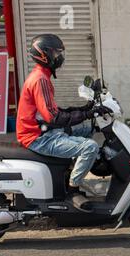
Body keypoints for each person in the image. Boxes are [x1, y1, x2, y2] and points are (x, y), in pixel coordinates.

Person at [16, 34, 109, 196]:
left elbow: (55, 111)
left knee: (87, 130)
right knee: (90, 147)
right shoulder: (40, 80)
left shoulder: (41, 76)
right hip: (38, 138)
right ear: (44, 55)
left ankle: (69, 170)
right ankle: (74, 188)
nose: (60, 58)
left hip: (43, 130)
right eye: (56, 54)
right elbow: (55, 118)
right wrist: (88, 113)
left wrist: (85, 108)